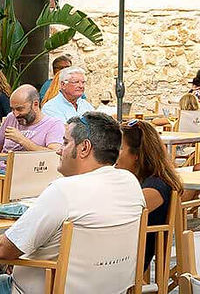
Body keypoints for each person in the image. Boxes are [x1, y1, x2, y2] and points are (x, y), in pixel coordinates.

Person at [0, 112, 145, 294]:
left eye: (65, 142)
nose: (59, 150)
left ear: (84, 148)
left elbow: (5, 250)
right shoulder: (131, 183)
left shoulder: (63, 191)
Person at [117, 119, 184, 274]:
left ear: (137, 155)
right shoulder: (140, 181)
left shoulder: (155, 187)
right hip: (119, 256)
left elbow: (117, 211)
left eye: (120, 148)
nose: (113, 153)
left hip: (126, 263)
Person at [0, 85, 64, 155]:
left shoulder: (53, 125)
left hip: (29, 165)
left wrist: (22, 140)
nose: (16, 114)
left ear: (35, 104)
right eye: (12, 109)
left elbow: (54, 155)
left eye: (19, 109)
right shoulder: (11, 117)